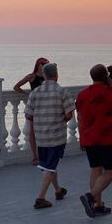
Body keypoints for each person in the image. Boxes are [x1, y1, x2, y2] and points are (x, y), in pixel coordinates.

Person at [75, 63, 112, 217]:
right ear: (106, 77)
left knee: (95, 169)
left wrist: (81, 137)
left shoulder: (82, 94)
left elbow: (79, 118)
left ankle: (98, 205)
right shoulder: (109, 93)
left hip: (88, 137)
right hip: (105, 138)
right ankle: (90, 197)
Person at [25, 62, 74, 209]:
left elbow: (28, 115)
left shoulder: (35, 92)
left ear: (45, 75)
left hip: (41, 137)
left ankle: (58, 190)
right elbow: (69, 114)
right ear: (56, 75)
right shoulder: (62, 92)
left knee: (49, 166)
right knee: (51, 166)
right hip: (56, 136)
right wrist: (62, 119)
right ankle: (40, 198)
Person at [13, 57, 50, 165]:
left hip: (45, 106)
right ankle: (35, 156)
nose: (44, 65)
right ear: (38, 65)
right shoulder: (32, 76)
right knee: (32, 132)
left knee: (45, 130)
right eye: (43, 63)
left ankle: (45, 154)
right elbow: (16, 87)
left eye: (46, 63)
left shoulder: (48, 77)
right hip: (35, 106)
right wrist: (27, 94)